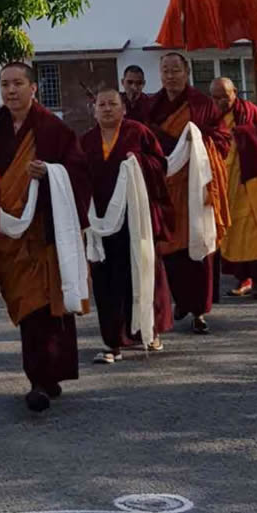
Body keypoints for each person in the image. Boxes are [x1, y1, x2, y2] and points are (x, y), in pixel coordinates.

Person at [0, 63, 91, 411]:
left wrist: (51, 173)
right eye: (5, 84)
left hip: (43, 233)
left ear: (33, 88)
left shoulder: (51, 129)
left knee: (43, 308)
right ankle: (47, 376)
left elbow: (78, 172)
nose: (11, 91)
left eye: (17, 84)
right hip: (8, 236)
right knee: (27, 308)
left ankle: (40, 380)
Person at [81, 86, 173, 363]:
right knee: (106, 282)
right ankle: (112, 343)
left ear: (123, 108)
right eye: (102, 104)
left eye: (112, 104)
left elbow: (160, 164)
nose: (107, 108)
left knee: (142, 272)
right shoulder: (86, 141)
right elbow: (77, 175)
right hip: (100, 223)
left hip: (135, 219)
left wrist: (139, 163)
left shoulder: (138, 133)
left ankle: (149, 331)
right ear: (94, 110)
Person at [145, 53, 231, 334]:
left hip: (195, 185)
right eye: (166, 71)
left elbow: (222, 139)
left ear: (187, 72)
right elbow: (141, 140)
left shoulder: (201, 105)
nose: (170, 76)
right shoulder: (151, 105)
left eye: (175, 70)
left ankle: (199, 312)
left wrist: (199, 141)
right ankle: (182, 301)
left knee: (199, 248)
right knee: (171, 249)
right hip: (165, 188)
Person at [209, 77, 257, 298]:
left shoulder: (251, 112)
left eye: (224, 96)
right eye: (215, 97)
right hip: (226, 182)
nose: (220, 102)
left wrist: (244, 134)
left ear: (235, 92)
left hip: (252, 179)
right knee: (234, 231)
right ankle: (242, 278)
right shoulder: (213, 117)